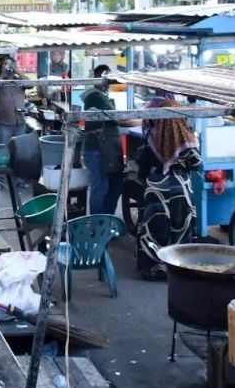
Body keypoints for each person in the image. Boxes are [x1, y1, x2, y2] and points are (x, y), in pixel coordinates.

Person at [135, 95, 201, 280]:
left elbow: (142, 163)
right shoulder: (186, 139)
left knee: (155, 227)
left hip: (155, 186)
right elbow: (197, 164)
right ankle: (180, 267)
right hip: (180, 186)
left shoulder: (150, 133)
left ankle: (154, 267)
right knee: (181, 228)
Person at [81, 64, 139, 216]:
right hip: (99, 150)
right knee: (101, 188)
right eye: (104, 78)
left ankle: (106, 221)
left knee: (115, 184)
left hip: (106, 150)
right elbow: (119, 119)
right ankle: (98, 225)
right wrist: (144, 121)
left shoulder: (101, 96)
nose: (108, 82)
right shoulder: (95, 96)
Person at [0, 55, 28, 148]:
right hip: (4, 124)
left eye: (11, 64)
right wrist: (2, 76)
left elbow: (31, 84)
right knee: (3, 151)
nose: (9, 66)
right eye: (6, 64)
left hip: (20, 123)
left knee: (20, 152)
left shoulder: (20, 81)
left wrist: (17, 71)